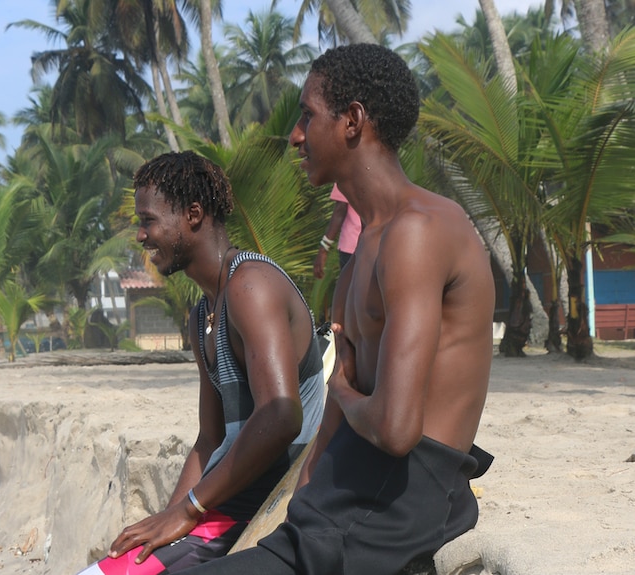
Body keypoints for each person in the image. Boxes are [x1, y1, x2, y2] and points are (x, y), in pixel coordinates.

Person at [180, 43, 495, 575]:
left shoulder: (417, 233)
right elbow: (330, 426)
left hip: (394, 504)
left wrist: (343, 388)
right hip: (339, 501)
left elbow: (396, 429)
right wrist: (301, 503)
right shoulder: (362, 253)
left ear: (352, 121)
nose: (295, 134)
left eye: (308, 114)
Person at [76, 151, 325, 575]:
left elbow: (282, 414)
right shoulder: (203, 314)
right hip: (221, 504)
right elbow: (209, 440)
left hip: (257, 504)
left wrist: (190, 509)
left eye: (148, 220)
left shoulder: (251, 287)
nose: (141, 236)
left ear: (193, 214)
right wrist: (167, 519)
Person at [313, 184, 361, 279]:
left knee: (349, 290)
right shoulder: (386, 171)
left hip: (351, 247)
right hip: (377, 244)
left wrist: (324, 248)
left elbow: (340, 210)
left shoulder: (346, 171)